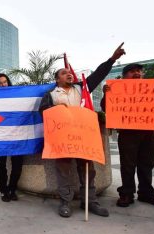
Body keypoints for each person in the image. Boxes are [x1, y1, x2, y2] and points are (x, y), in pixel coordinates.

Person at [38, 43, 126, 218]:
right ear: (57, 80)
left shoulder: (81, 89)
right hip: (62, 141)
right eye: (64, 73)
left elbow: (98, 74)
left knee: (87, 170)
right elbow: (43, 113)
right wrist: (57, 110)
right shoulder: (51, 95)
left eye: (69, 72)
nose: (68, 74)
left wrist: (112, 59)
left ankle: (90, 201)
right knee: (63, 171)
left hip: (83, 138)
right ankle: (65, 202)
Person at [101, 63, 154, 208]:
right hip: (128, 134)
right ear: (125, 76)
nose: (137, 73)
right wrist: (107, 94)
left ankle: (146, 193)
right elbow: (106, 108)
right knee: (128, 165)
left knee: (147, 164)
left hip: (148, 133)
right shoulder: (115, 89)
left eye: (139, 71)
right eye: (132, 72)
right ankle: (127, 194)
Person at [0, 73, 23, 202]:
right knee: (1, 164)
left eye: (5, 82)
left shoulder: (16, 96)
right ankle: (4, 191)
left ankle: (12, 189)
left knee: (17, 164)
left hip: (17, 135)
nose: (3, 84)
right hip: (0, 136)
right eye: (0, 83)